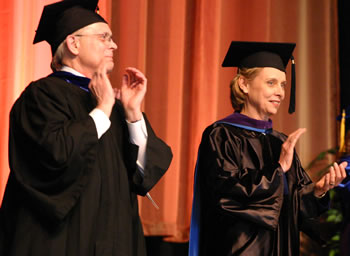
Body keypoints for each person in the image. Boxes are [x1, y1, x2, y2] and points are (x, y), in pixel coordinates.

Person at [0, 0, 172, 255]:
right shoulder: (42, 96)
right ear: (73, 43)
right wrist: (101, 110)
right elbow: (55, 157)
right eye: (104, 37)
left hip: (115, 240)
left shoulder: (114, 105)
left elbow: (142, 177)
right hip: (59, 241)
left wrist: (133, 114)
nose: (114, 45)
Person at [189, 41, 347, 256]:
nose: (280, 92)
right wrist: (278, 170)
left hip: (282, 247)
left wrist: (317, 191)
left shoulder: (280, 141)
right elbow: (225, 197)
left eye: (282, 84)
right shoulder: (221, 135)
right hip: (239, 249)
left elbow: (294, 207)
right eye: (271, 83)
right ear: (244, 84)